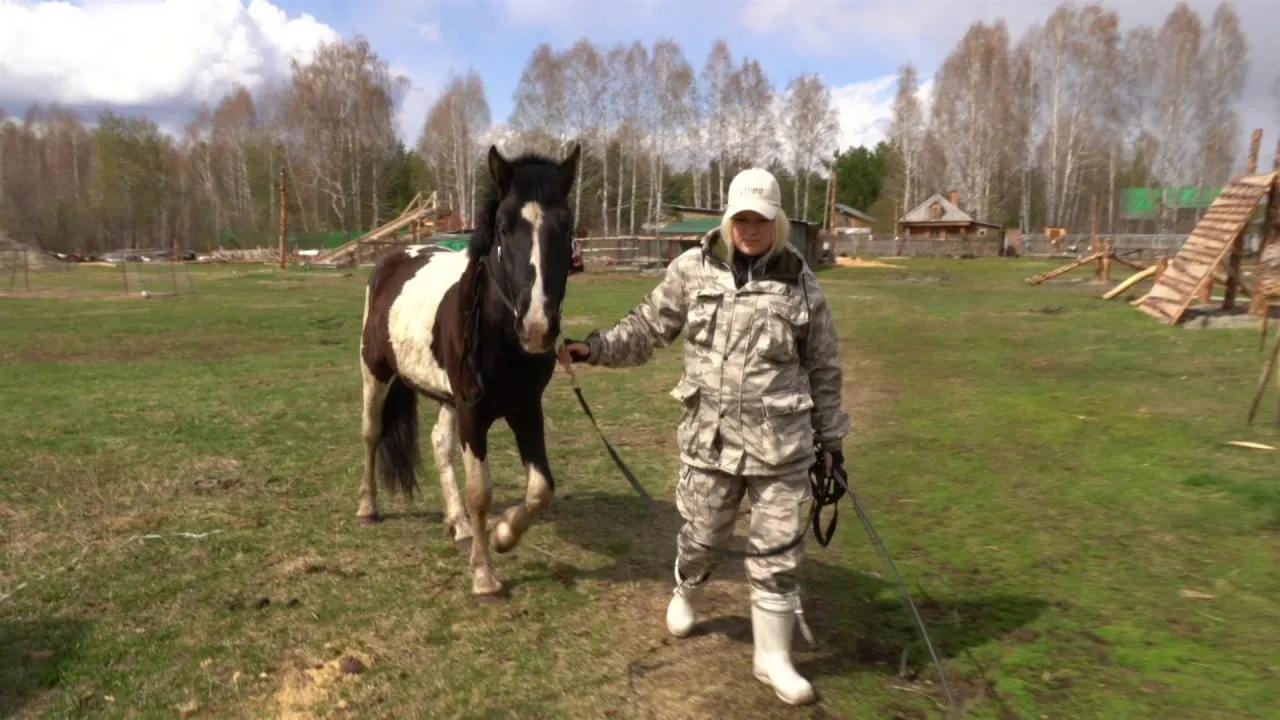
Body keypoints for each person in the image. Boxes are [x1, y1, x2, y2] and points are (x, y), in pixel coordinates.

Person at [560, 167, 851, 705]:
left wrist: (831, 443)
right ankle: (688, 589)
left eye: (760, 218)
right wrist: (594, 348)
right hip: (710, 442)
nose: (750, 227)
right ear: (728, 218)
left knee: (779, 550)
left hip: (782, 445)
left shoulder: (799, 280)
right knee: (703, 535)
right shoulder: (691, 270)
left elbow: (824, 366)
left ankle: (773, 658)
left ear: (776, 220)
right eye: (741, 217)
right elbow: (649, 326)